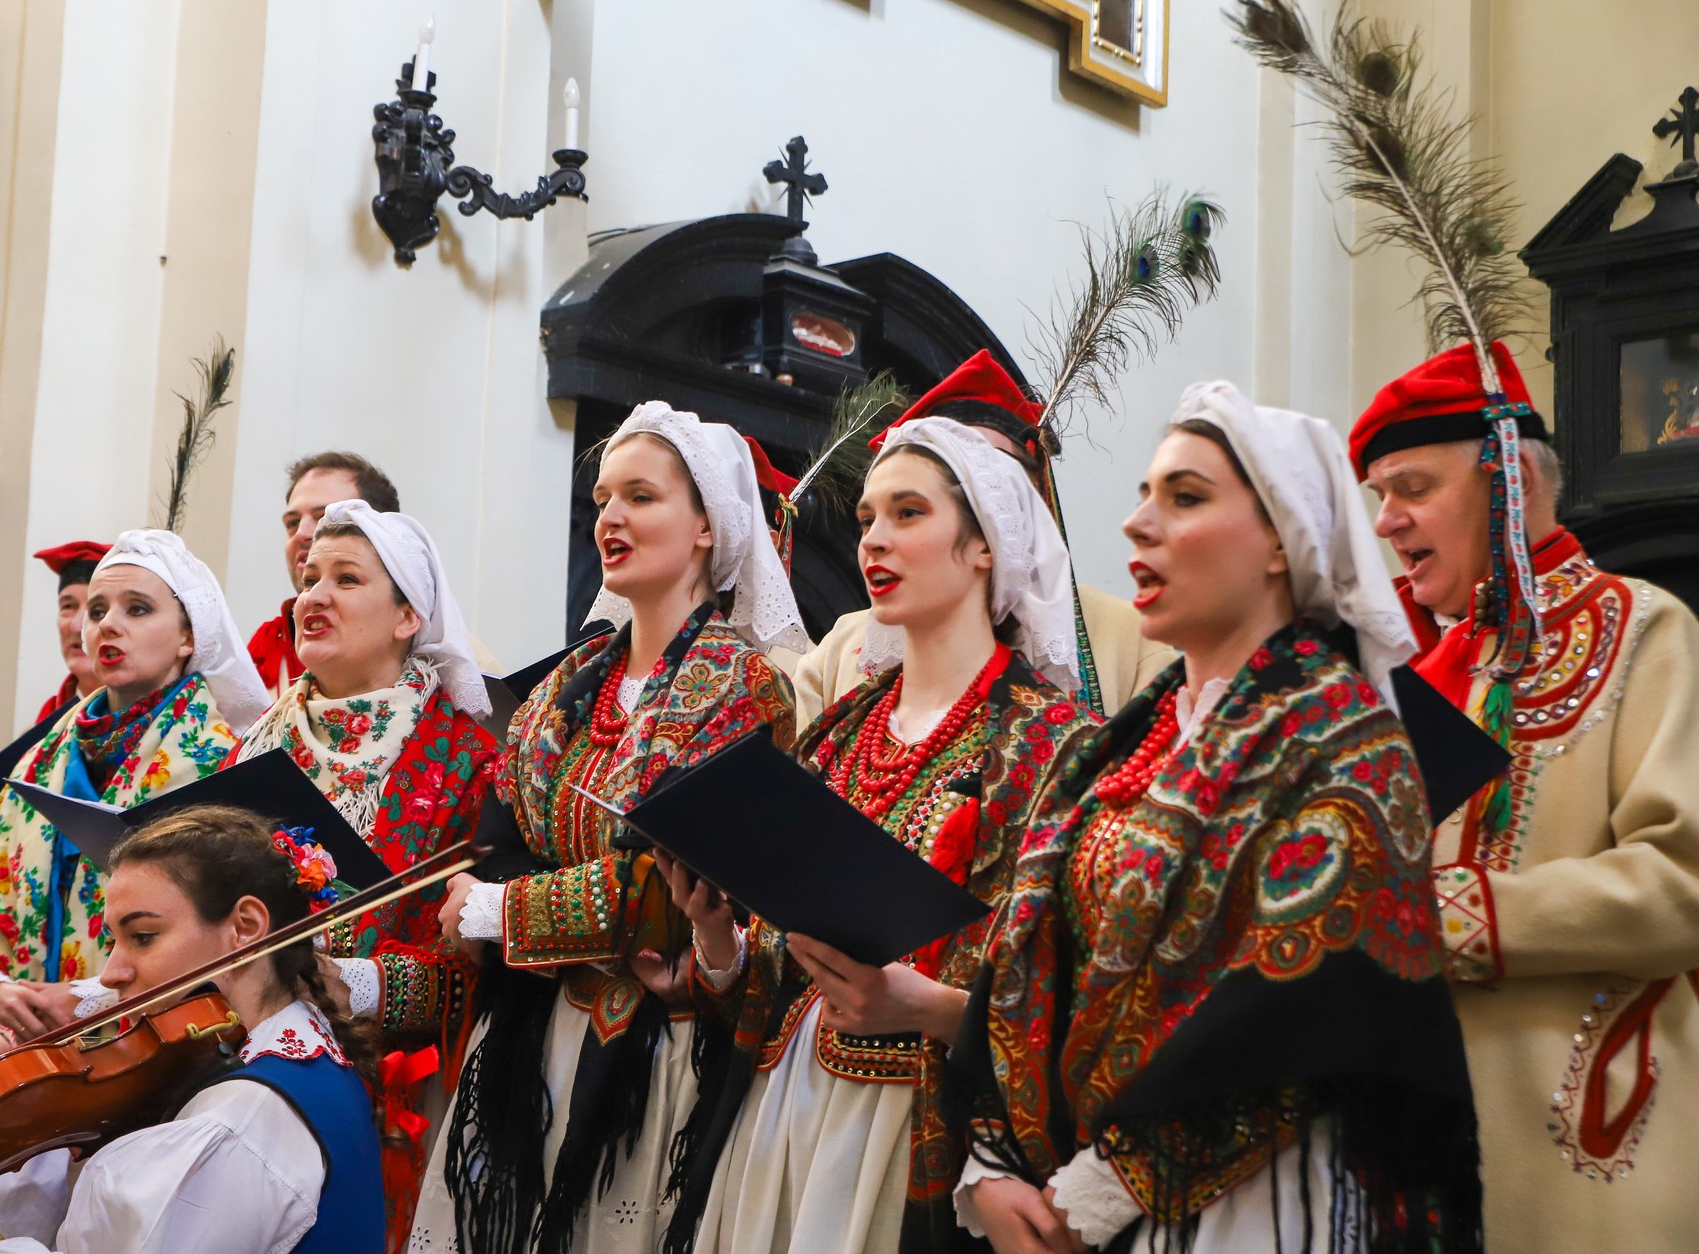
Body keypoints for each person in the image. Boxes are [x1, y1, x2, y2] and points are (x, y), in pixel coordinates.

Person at [949, 382, 1482, 1253]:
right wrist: (994, 1161)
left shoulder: (1345, 741)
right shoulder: (1124, 743)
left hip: (1258, 1204)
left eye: (1186, 497)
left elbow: (1301, 1009)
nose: (1138, 524)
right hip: (1075, 1187)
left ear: (1280, 538)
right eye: (1143, 496)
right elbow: (1032, 952)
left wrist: (1094, 1193)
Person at [669, 417, 1100, 1254]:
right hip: (780, 1118)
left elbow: (1084, 1001)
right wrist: (716, 935)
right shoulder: (838, 730)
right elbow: (773, 973)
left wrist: (931, 1007)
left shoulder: (1054, 746)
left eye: (909, 512)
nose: (873, 538)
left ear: (985, 544)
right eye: (868, 517)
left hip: (918, 1133)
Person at [407, 401, 806, 1254]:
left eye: (640, 496)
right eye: (601, 499)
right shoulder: (569, 682)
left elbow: (668, 889)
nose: (611, 517)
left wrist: (496, 908)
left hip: (652, 1055)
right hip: (531, 1034)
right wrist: (520, 891)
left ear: (706, 526)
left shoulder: (744, 688)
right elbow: (498, 837)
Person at [1352, 341, 1699, 1254]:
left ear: (1511, 481)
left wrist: (1445, 915)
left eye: (1412, 487)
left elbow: (1682, 882)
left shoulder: (1642, 626)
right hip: (1407, 1155)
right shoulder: (1413, 674)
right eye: (1378, 495)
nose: (1386, 520)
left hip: (1584, 1154)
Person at [0, 804, 386, 1254]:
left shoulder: (234, 1124)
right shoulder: (304, 1057)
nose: (111, 972)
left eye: (144, 936)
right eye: (113, 939)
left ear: (247, 926)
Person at [231, 498, 496, 1249]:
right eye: (308, 578)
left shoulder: (468, 762)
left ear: (409, 616)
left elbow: (477, 970)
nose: (313, 596)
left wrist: (360, 981)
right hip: (242, 1078)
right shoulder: (254, 747)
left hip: (392, 1096)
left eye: (346, 579)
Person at [0, 530, 267, 1034]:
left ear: (189, 636)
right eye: (97, 611)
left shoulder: (224, 760)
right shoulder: (39, 760)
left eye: (137, 609)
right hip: (24, 1047)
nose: (108, 624)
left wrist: (91, 997)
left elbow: (234, 939)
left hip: (155, 1046)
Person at [792, 352, 1169, 726]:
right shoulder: (841, 651)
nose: (875, 539)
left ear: (1030, 493)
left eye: (993, 476)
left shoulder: (1128, 639)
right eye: (867, 519)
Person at [250, 453, 403, 694]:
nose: (301, 533)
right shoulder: (262, 652)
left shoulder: (445, 682)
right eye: (292, 522)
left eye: (324, 517)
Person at [31, 540, 111, 723]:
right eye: (68, 606)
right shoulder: (44, 726)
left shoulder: (160, 721)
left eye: (97, 611)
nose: (77, 626)